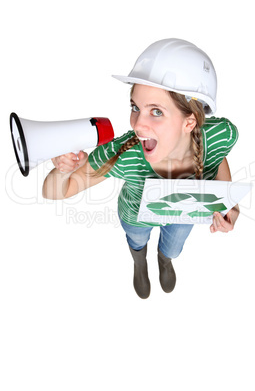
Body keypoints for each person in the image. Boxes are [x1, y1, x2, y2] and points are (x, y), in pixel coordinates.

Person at [43, 39, 239, 299]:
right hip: (136, 216)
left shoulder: (222, 134)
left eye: (156, 111)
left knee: (174, 248)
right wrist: (64, 170)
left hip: (185, 214)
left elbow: (218, 158)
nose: (138, 124)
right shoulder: (122, 154)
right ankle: (139, 260)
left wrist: (228, 206)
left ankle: (165, 260)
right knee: (136, 240)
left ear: (189, 122)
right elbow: (55, 192)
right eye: (136, 107)